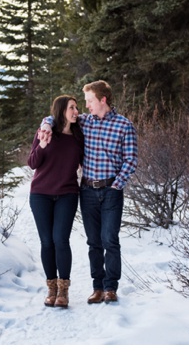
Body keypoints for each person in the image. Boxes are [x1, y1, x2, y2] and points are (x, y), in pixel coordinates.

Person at [39, 80, 137, 304]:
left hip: (112, 189)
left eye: (89, 101)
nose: (86, 106)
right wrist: (46, 125)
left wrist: (116, 184)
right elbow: (57, 117)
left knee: (109, 239)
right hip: (87, 191)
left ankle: (111, 288)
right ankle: (97, 287)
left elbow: (130, 160)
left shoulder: (124, 125)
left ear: (102, 100)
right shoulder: (84, 122)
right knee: (94, 241)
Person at [27, 95, 84, 308]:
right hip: (40, 194)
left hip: (67, 194)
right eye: (72, 107)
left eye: (77, 107)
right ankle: (51, 288)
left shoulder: (79, 136)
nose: (76, 111)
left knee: (61, 239)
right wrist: (41, 144)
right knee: (47, 242)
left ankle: (64, 290)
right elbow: (32, 163)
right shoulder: (46, 132)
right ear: (61, 111)